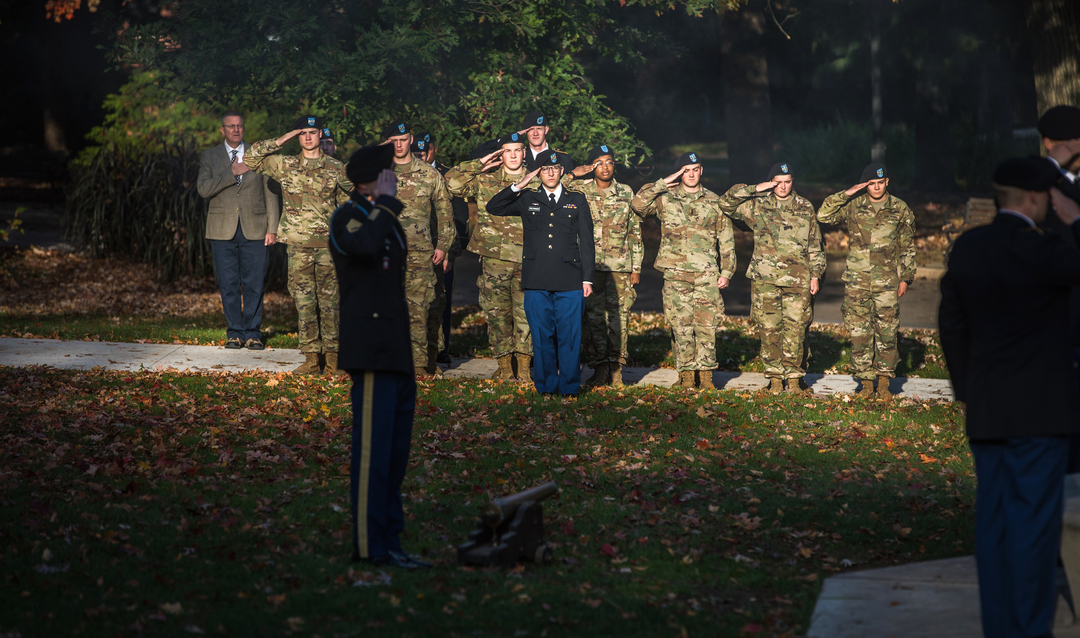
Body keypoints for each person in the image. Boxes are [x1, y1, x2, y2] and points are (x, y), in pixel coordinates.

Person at [939, 157, 1080, 638]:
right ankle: (1027, 629)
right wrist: (1075, 221)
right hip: (1040, 414)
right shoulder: (1047, 250)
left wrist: (967, 390)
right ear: (1038, 198)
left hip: (988, 408)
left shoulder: (968, 248)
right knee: (1033, 532)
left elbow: (952, 326)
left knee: (994, 526)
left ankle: (999, 627)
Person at [329, 144, 429, 571]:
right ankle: (370, 547)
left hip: (395, 349)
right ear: (369, 180)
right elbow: (365, 248)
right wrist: (385, 202)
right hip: (369, 349)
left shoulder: (385, 220)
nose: (394, 180)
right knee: (372, 454)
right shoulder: (348, 217)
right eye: (387, 174)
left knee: (394, 455)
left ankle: (391, 539)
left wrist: (386, 206)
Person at [246, 115, 352, 375]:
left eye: (312, 132)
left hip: (329, 248)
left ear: (320, 136)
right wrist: (283, 139)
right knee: (304, 302)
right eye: (302, 132)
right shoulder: (286, 165)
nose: (307, 137)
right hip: (298, 248)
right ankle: (312, 358)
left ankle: (334, 359)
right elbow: (250, 158)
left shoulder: (337, 168)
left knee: (330, 303)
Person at [486, 152, 595, 396]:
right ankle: (546, 387)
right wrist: (519, 184)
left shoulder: (577, 199)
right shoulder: (528, 198)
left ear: (562, 171)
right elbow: (493, 207)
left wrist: (587, 278)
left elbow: (587, 242)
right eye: (545, 169)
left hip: (570, 279)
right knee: (541, 336)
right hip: (536, 278)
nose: (551, 173)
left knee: (569, 337)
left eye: (555, 168)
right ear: (538, 172)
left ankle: (569, 388)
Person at [631, 152, 735, 390]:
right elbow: (637, 205)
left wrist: (726, 272)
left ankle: (706, 376)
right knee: (681, 325)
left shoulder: (714, 201)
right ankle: (687, 375)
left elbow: (726, 239)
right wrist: (661, 183)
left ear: (702, 171)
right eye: (686, 170)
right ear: (679, 173)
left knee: (707, 326)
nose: (691, 174)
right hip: (676, 273)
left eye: (695, 169)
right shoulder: (665, 198)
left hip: (706, 273)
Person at [718, 163, 825, 394]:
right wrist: (757, 188)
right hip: (765, 280)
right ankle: (775, 380)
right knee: (769, 330)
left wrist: (815, 275)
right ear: (771, 182)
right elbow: (726, 202)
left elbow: (816, 245)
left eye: (787, 182)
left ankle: (794, 380)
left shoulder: (804, 206)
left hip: (798, 280)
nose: (783, 186)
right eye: (778, 182)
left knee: (796, 330)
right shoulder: (759, 205)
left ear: (792, 182)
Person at [817, 162, 915, 399]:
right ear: (865, 185)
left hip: (887, 283)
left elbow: (908, 246)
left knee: (887, 333)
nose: (877, 187)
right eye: (871, 184)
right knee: (859, 333)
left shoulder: (900, 209)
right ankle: (866, 383)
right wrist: (850, 191)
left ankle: (883, 384)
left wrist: (907, 277)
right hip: (857, 282)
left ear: (887, 182)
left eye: (880, 183)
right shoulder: (853, 206)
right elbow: (823, 214)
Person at [444, 133, 535, 381]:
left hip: (530, 260)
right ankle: (505, 367)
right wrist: (480, 162)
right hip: (494, 260)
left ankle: (525, 368)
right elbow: (451, 183)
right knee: (497, 314)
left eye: (518, 150)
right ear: (500, 154)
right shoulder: (486, 180)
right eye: (507, 151)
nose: (514, 155)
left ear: (524, 152)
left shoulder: (537, 181)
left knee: (527, 315)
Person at [197, 111, 281, 351]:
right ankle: (235, 332)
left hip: (256, 228)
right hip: (221, 230)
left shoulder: (259, 155)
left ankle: (253, 332)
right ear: (222, 130)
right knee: (229, 283)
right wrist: (231, 173)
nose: (236, 130)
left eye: (240, 126)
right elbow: (203, 189)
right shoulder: (210, 157)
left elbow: (271, 193)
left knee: (254, 282)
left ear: (244, 129)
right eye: (231, 126)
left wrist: (272, 228)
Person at [564, 144, 643, 387]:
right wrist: (574, 173)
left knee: (620, 319)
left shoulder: (626, 192)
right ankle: (599, 369)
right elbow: (552, 186)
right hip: (589, 268)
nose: (605, 166)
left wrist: (636, 267)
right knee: (593, 320)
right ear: (591, 167)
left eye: (609, 161)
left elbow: (635, 231)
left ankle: (617, 370)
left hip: (620, 267)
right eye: (599, 162)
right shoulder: (580, 190)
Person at [382, 121, 455, 377]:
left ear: (411, 139)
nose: (398, 145)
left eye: (402, 139)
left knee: (418, 310)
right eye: (393, 140)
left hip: (419, 255)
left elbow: (446, 214)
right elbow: (344, 176)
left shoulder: (429, 174)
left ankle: (419, 366)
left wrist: (443, 246)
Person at [413, 133, 470, 366]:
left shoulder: (447, 175)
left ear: (434, 149)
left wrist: (451, 252)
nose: (423, 155)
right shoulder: (408, 173)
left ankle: (441, 349)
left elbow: (459, 218)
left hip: (442, 250)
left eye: (426, 150)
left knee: (441, 301)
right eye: (418, 152)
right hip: (417, 250)